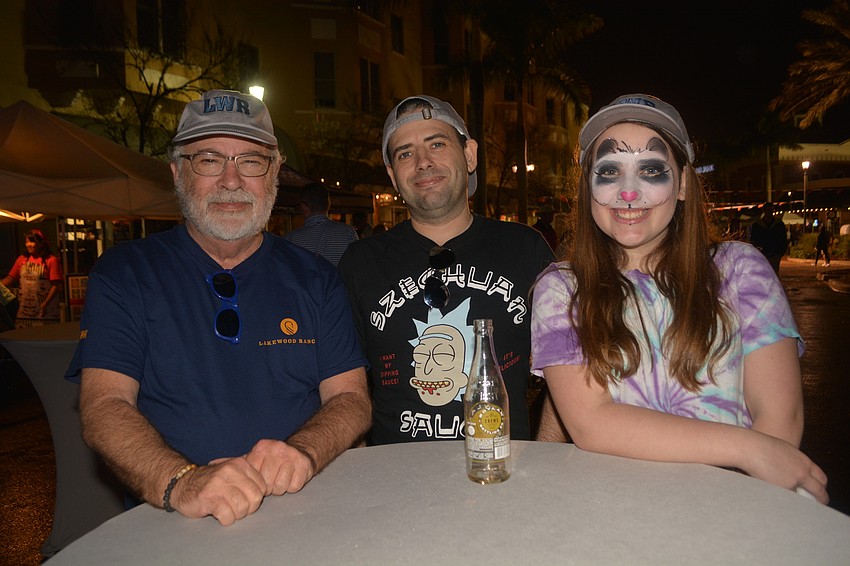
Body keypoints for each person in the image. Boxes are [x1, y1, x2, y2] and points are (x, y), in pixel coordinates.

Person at [65, 90, 371, 526]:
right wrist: (183, 481)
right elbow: (103, 406)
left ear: (275, 173)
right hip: (175, 520)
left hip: (304, 512)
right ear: (177, 172)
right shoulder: (124, 273)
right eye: (209, 160)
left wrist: (303, 452)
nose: (231, 181)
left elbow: (351, 399)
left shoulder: (317, 278)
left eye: (251, 161)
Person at [531, 93, 828, 503]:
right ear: (588, 188)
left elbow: (780, 419)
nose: (628, 193)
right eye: (609, 171)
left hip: (739, 504)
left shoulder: (741, 270)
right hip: (612, 509)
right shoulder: (563, 290)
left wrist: (748, 489)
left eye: (651, 170)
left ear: (684, 183)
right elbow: (591, 422)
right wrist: (749, 448)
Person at [338, 95, 555, 445]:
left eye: (436, 144)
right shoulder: (360, 263)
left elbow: (570, 372)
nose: (423, 162)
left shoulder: (526, 249)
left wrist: (542, 456)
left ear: (469, 155)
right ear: (393, 175)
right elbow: (346, 391)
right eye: (405, 153)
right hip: (394, 473)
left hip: (499, 468)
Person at [284, 182, 358, 266]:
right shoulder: (347, 232)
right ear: (328, 204)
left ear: (304, 206)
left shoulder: (291, 239)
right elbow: (357, 264)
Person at [1, 229, 64, 328]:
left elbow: (56, 285)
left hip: (46, 313)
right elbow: (10, 278)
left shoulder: (51, 260)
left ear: (41, 243)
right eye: (26, 242)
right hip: (24, 313)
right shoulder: (22, 260)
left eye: (32, 241)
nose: (28, 245)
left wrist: (45, 303)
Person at [749, 202, 787, 274]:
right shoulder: (757, 225)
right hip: (762, 253)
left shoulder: (779, 224)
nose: (770, 212)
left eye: (772, 210)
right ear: (764, 211)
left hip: (775, 253)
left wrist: (781, 252)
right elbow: (753, 240)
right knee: (762, 273)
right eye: (768, 210)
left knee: (773, 273)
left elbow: (783, 238)